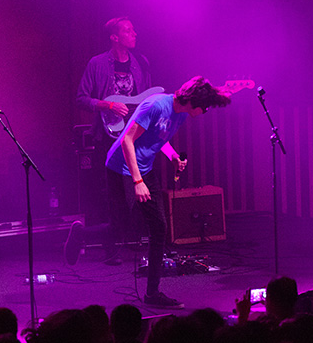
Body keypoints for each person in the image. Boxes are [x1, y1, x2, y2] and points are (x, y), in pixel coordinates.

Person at [106, 76, 231, 308]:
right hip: (121, 167)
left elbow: (158, 137)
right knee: (120, 227)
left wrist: (173, 156)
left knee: (159, 227)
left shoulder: (181, 113)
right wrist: (137, 181)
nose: (205, 111)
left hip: (144, 168)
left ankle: (152, 294)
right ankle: (82, 235)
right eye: (205, 107)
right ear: (193, 101)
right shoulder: (155, 105)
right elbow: (127, 141)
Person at [76, 17, 154, 264]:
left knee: (139, 189)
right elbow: (81, 98)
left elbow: (147, 98)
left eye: (133, 28)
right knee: (111, 195)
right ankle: (109, 247)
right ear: (115, 37)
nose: (134, 33)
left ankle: (135, 240)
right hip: (108, 137)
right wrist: (108, 104)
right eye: (128, 30)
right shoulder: (97, 64)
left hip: (136, 137)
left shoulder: (141, 63)